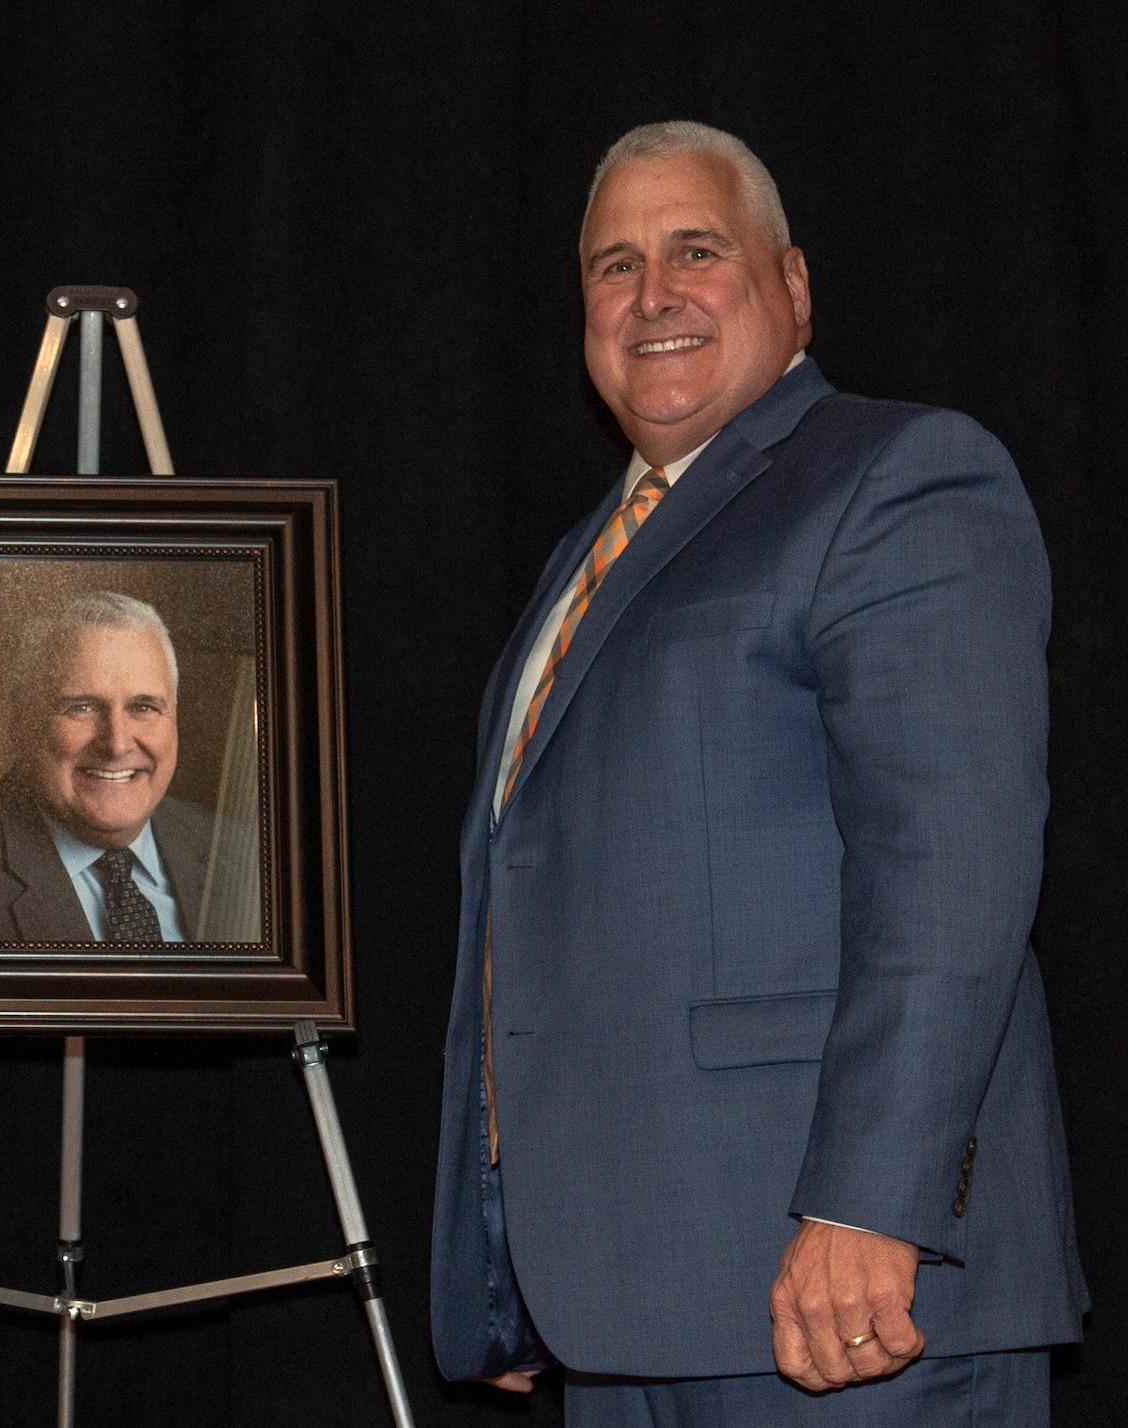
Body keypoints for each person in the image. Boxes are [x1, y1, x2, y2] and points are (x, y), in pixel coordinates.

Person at [429, 121, 1085, 1425]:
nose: (652, 293)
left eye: (695, 250)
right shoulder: (581, 563)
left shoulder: (900, 479)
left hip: (846, 1305)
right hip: (626, 1312)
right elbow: (525, 930)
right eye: (614, 266)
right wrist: (505, 1255)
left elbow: (951, 873)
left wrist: (869, 1202)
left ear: (792, 286)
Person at [0, 591, 213, 944]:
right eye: (81, 708)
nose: (116, 744)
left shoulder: (231, 849)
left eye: (143, 707)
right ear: (22, 721)